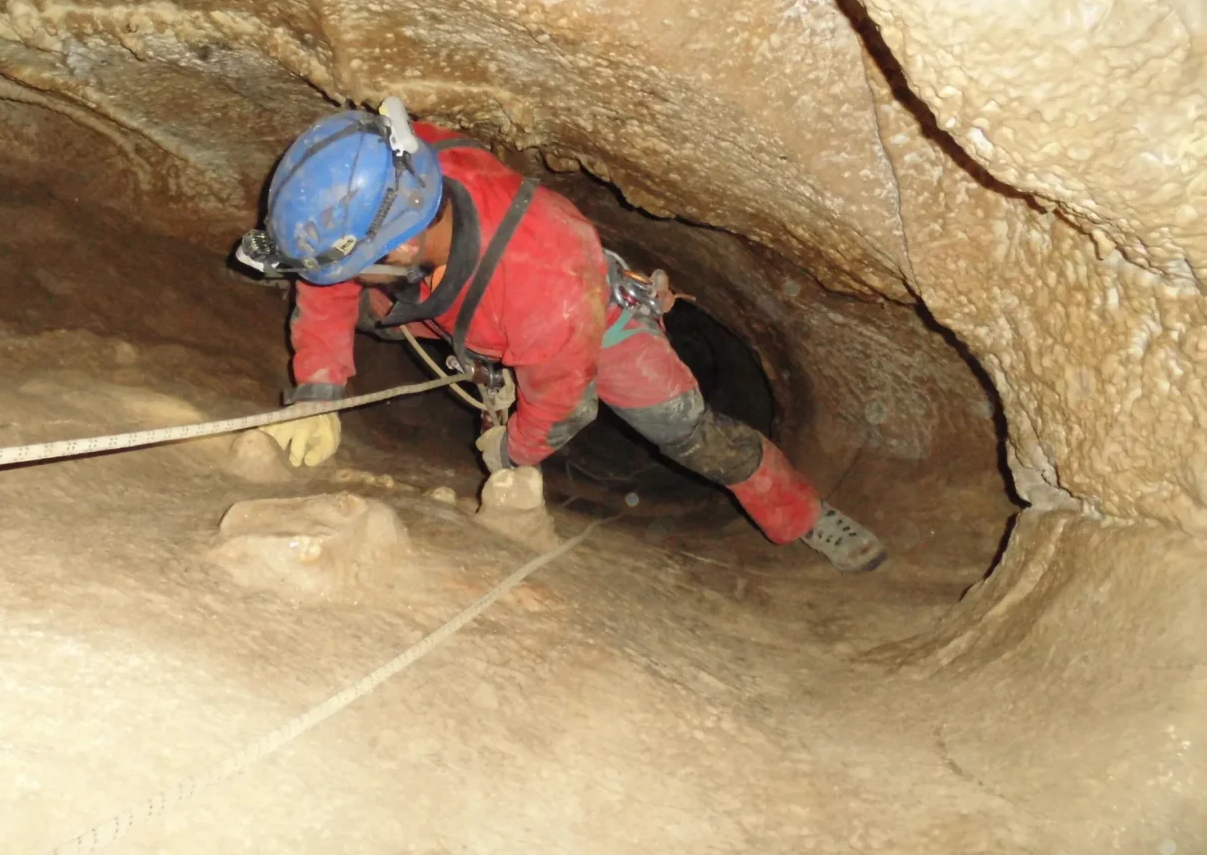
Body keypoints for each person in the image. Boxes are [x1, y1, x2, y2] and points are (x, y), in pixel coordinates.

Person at [236, 100, 885, 573]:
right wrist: (320, 386)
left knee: (687, 430)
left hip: (592, 325)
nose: (336, 279)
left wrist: (508, 455)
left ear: (403, 242)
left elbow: (562, 407)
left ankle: (799, 513)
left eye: (359, 262)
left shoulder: (548, 291)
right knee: (363, 308)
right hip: (457, 302)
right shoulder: (399, 166)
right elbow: (327, 276)